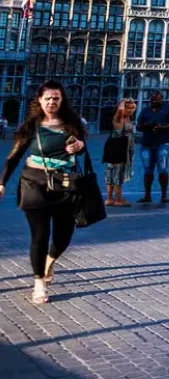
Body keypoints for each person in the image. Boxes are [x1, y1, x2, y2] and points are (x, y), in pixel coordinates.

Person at [0, 81, 88, 304]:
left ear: (62, 100)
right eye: (47, 98)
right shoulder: (31, 125)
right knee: (39, 235)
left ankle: (50, 260)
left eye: (56, 98)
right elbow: (14, 156)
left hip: (66, 185)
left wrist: (79, 145)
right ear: (39, 100)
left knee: (63, 235)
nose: (51, 102)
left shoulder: (72, 123)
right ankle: (39, 282)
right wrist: (2, 182)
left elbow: (82, 147)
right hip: (35, 184)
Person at [135, 90, 169, 204]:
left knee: (162, 168)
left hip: (163, 142)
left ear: (161, 99)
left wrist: (163, 127)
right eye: (152, 99)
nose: (153, 101)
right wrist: (146, 125)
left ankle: (164, 195)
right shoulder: (145, 111)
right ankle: (147, 195)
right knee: (148, 169)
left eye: (156, 99)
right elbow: (138, 126)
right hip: (147, 143)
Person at [104, 99, 136, 207]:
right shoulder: (119, 118)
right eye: (129, 108)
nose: (131, 110)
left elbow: (133, 108)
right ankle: (118, 199)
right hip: (120, 149)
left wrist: (130, 102)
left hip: (122, 148)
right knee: (117, 173)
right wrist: (123, 102)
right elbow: (121, 110)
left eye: (132, 108)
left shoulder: (126, 118)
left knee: (112, 172)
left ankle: (109, 198)